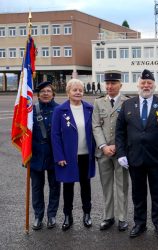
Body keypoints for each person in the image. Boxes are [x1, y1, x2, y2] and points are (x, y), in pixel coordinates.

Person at [115, 69, 158, 239]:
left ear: (154, 85)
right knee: (138, 193)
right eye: (143, 83)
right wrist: (121, 153)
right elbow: (120, 132)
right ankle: (140, 223)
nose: (146, 86)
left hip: (156, 158)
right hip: (134, 158)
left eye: (149, 83)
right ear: (138, 85)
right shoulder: (127, 105)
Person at [51, 78, 96, 231]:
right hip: (68, 156)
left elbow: (95, 131)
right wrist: (59, 156)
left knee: (86, 185)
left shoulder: (90, 108)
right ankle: (67, 216)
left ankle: (87, 213)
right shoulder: (60, 110)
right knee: (68, 186)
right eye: (74, 90)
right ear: (68, 92)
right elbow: (55, 135)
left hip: (86, 155)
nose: (78, 92)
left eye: (80, 90)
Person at [92, 71, 130, 231]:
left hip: (120, 152)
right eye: (107, 83)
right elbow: (96, 125)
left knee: (122, 185)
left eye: (113, 83)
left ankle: (122, 218)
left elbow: (130, 127)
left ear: (120, 85)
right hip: (103, 152)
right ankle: (108, 217)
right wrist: (103, 146)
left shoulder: (128, 102)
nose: (109, 86)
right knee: (106, 185)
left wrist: (118, 146)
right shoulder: (98, 102)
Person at [30, 81, 60, 230]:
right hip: (35, 155)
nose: (46, 93)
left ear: (53, 94)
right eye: (42, 91)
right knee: (37, 187)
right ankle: (38, 216)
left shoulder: (60, 110)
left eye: (48, 91)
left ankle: (52, 215)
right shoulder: (31, 110)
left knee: (55, 186)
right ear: (38, 95)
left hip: (55, 156)